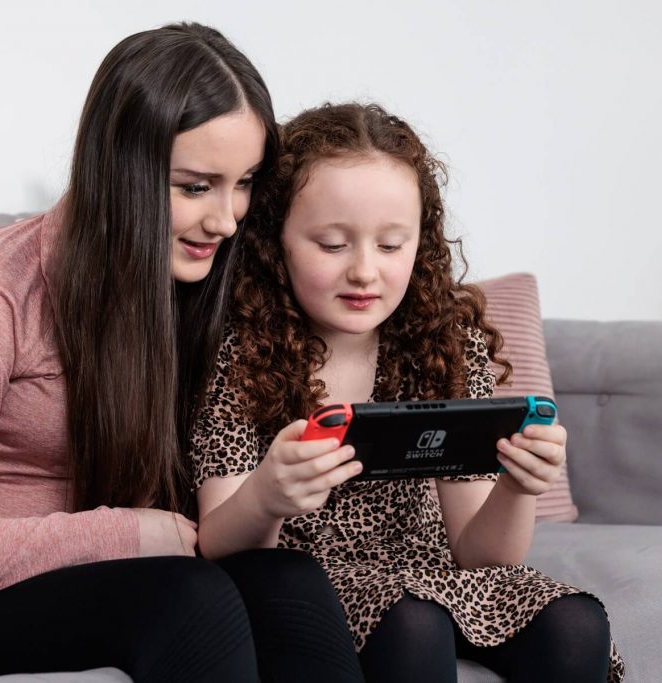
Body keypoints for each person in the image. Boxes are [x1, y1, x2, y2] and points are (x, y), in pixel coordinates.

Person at [0, 24, 361, 683]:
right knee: (190, 599)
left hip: (125, 580)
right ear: (120, 168)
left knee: (287, 581)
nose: (226, 218)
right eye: (196, 186)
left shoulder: (206, 282)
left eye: (242, 183)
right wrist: (126, 534)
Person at [190, 102, 626, 682]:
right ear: (276, 242)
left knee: (577, 623)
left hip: (432, 573)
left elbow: (482, 554)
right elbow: (217, 540)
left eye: (391, 245)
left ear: (420, 245)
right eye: (332, 244)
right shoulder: (242, 354)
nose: (365, 271)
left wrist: (519, 485)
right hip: (312, 584)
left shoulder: (442, 345)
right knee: (412, 623)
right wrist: (269, 493)